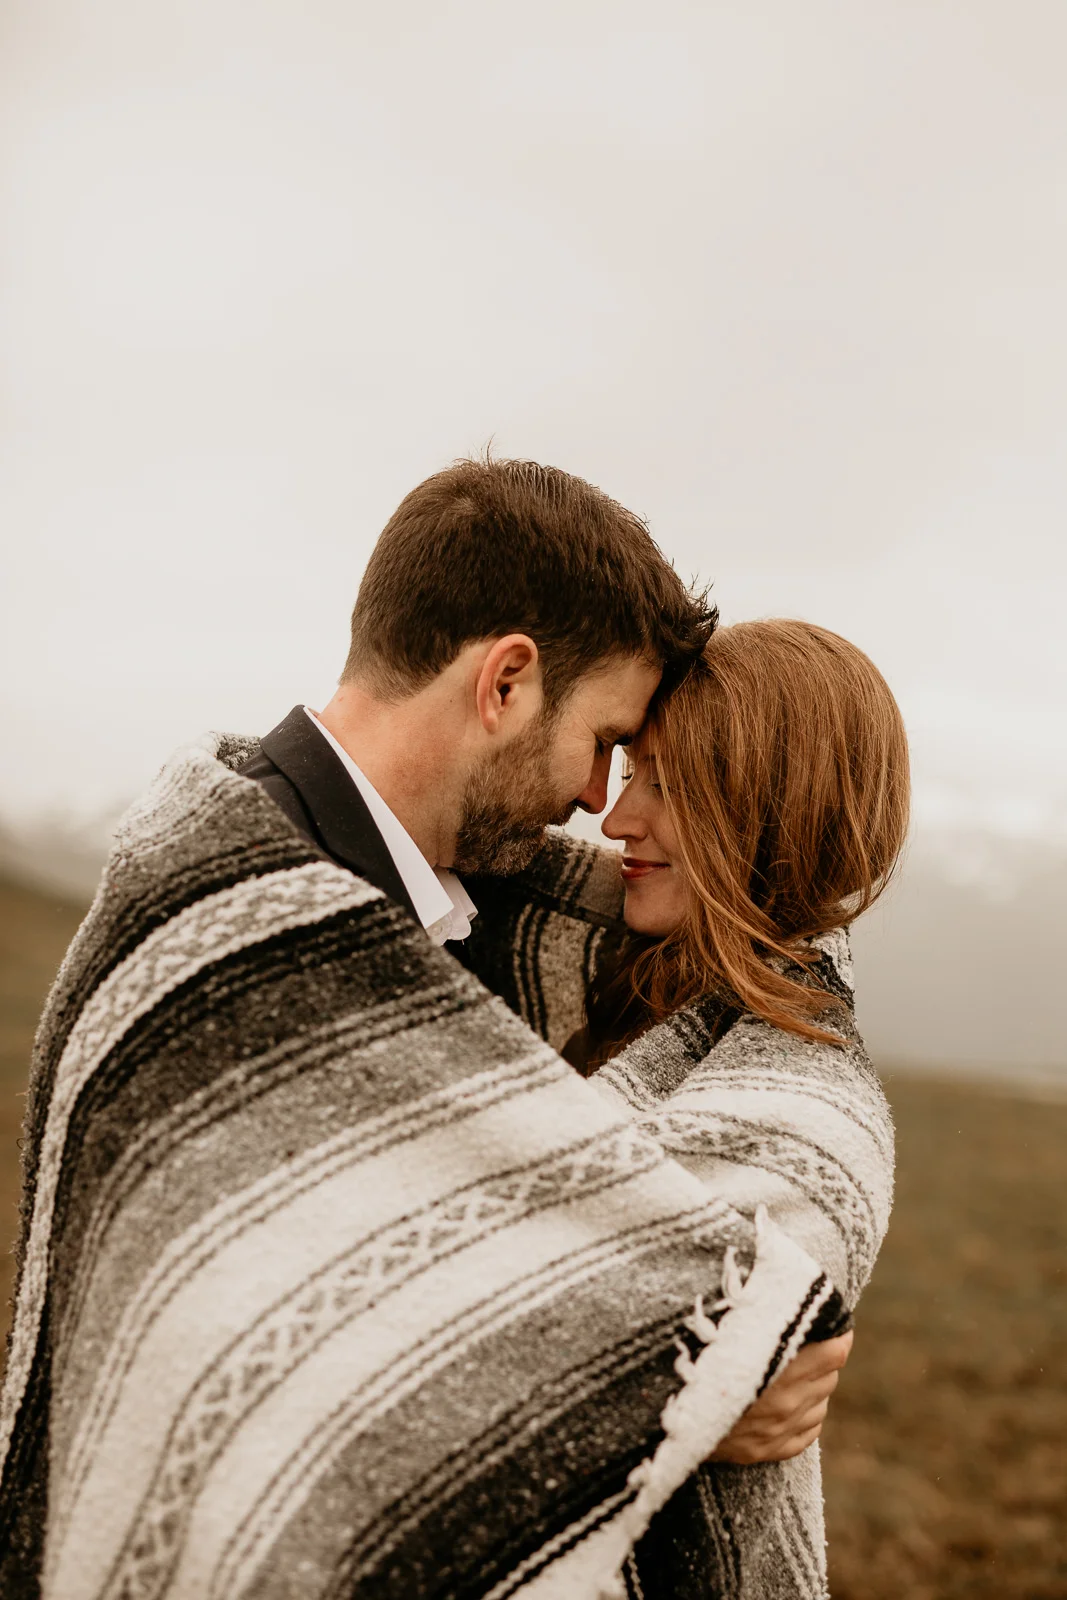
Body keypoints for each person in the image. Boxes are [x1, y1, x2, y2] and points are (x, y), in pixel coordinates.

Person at [1, 460, 849, 1600]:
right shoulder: (223, 932)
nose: (601, 799)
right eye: (605, 738)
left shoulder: (412, 899)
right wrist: (692, 1370)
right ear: (505, 680)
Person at [460, 617, 908, 1596]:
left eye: (666, 786)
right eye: (629, 774)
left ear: (774, 814)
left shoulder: (803, 1113)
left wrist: (676, 1388)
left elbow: (523, 1365)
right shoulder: (605, 975)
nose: (616, 821)